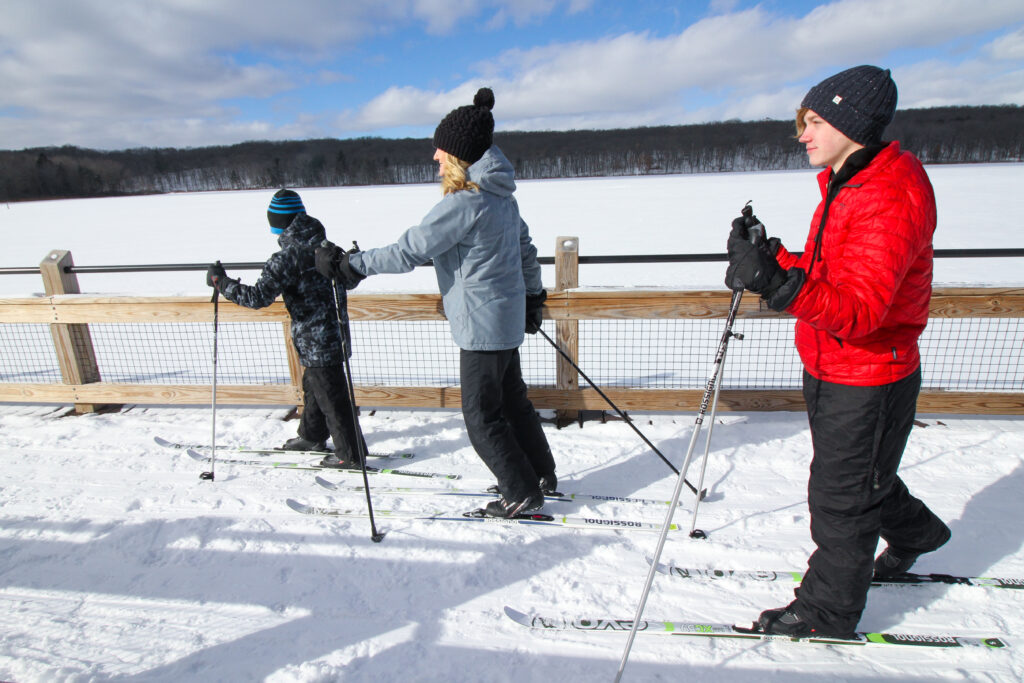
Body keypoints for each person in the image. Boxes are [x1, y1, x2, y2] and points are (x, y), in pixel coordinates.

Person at [725, 65, 951, 638]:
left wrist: (776, 285)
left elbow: (861, 310)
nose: (803, 134)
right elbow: (831, 273)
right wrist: (775, 262)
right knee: (856, 478)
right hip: (832, 363)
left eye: (815, 121)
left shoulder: (889, 193)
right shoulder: (848, 182)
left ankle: (827, 613)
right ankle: (918, 534)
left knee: (841, 497)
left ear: (852, 122)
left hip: (869, 372)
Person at [315, 87, 556, 518]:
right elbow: (525, 252)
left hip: (482, 325)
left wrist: (350, 265)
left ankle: (520, 492)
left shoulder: (467, 202)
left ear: (459, 155)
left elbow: (411, 249)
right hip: (505, 318)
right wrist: (534, 298)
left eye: (440, 150)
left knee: (482, 416)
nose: (435, 158)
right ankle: (537, 473)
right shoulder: (503, 198)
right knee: (513, 401)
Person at [206, 189, 365, 469]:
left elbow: (257, 297)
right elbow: (350, 281)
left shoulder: (288, 258)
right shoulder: (328, 247)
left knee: (332, 396)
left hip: (315, 339)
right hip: (335, 333)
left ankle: (351, 455)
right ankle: (311, 435)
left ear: (278, 223)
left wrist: (222, 283)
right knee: (315, 386)